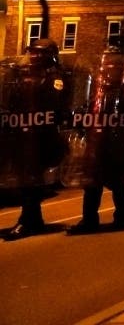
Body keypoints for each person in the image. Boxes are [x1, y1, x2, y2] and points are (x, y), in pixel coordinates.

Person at [0, 39, 72, 240]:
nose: (34, 56)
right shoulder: (21, 76)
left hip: (42, 136)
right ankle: (34, 219)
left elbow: (55, 102)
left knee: (31, 177)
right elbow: (12, 101)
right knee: (24, 177)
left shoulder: (55, 77)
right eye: (33, 52)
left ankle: (27, 220)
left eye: (40, 53)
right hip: (21, 133)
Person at [65, 48, 124, 235]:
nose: (108, 70)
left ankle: (122, 212)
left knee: (115, 179)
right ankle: (90, 218)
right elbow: (86, 107)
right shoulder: (96, 90)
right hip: (96, 139)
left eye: (112, 66)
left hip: (114, 140)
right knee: (92, 180)